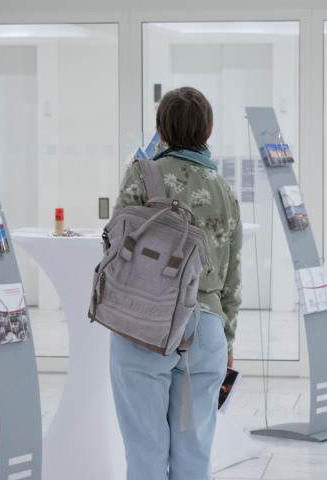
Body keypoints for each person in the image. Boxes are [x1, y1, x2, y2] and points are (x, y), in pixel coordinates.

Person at [109, 86, 243, 480]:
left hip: (143, 323)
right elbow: (232, 278)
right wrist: (228, 342)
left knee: (145, 453)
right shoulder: (226, 191)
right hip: (206, 331)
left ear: (160, 130)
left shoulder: (142, 173)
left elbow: (115, 242)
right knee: (195, 456)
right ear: (210, 129)